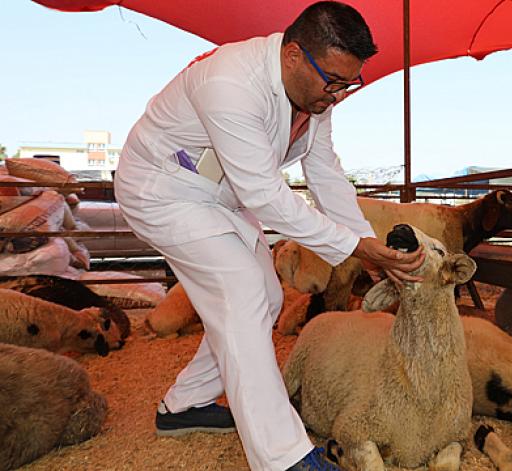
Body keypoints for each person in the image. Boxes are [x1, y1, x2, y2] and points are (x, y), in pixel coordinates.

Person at [114, 2, 423, 470]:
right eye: (334, 81)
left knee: (267, 298)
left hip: (219, 196)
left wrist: (369, 246)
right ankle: (282, 457)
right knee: (242, 292)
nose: (338, 95)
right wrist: (352, 246)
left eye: (349, 83)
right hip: (163, 189)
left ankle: (184, 405)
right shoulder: (230, 82)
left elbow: (325, 174)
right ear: (294, 55)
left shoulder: (315, 98)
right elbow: (263, 193)